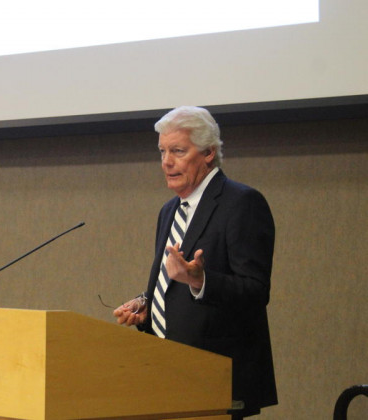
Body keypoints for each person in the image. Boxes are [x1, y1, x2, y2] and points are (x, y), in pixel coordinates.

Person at [113, 106, 277, 418]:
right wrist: (149, 302)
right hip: (165, 374)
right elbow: (177, 283)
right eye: (162, 151)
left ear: (208, 153)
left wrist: (201, 281)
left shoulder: (241, 203)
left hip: (215, 379)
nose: (166, 162)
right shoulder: (170, 210)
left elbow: (256, 292)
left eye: (177, 151)